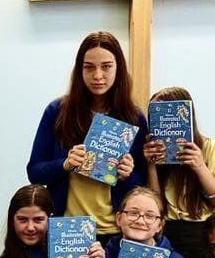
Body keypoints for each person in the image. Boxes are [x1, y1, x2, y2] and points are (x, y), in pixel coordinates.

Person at [27, 31, 147, 241]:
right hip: (69, 231)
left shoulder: (133, 117)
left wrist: (128, 175)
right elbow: (34, 172)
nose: (98, 75)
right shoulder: (57, 111)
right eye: (89, 67)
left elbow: (144, 187)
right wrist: (64, 164)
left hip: (117, 233)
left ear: (118, 68)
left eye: (106, 66)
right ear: (79, 70)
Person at [142, 86, 215, 258]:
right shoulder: (152, 150)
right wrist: (150, 165)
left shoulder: (211, 147)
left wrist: (199, 166)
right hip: (166, 231)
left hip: (202, 233)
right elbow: (154, 204)